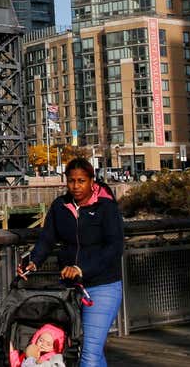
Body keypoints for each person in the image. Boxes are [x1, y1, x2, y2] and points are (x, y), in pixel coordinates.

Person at [17, 157, 124, 367]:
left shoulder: (106, 208)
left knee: (88, 355)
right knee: (87, 348)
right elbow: (47, 239)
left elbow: (114, 248)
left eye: (81, 181)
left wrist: (81, 268)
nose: (76, 186)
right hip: (70, 289)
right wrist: (33, 261)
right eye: (71, 181)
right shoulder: (60, 206)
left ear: (92, 181)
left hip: (103, 286)